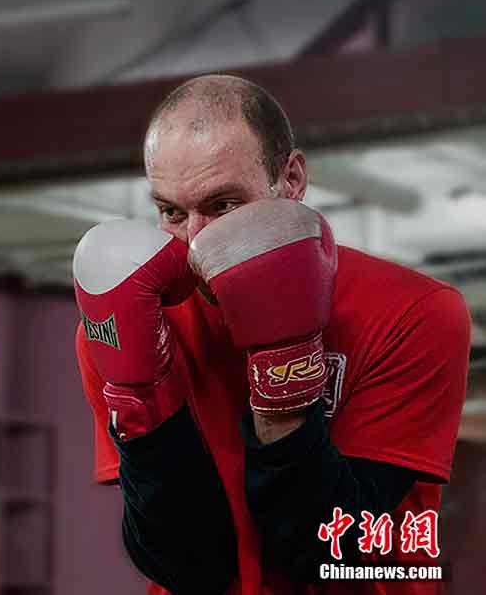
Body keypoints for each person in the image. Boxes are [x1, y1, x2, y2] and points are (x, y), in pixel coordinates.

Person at [73, 75, 470, 595]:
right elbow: (183, 564)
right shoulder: (129, 322)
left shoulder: (414, 313)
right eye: (171, 211)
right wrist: (143, 407)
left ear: (293, 179)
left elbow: (329, 556)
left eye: (224, 206)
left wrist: (285, 385)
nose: (196, 242)